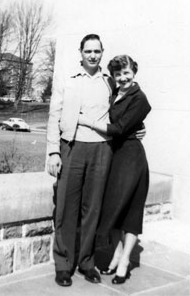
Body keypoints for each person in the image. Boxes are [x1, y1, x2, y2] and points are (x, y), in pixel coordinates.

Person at [47, 34, 145, 287]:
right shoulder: (67, 80)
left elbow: (126, 108)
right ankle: (64, 264)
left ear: (102, 53)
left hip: (102, 150)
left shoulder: (109, 82)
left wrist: (139, 128)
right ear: (80, 52)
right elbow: (53, 117)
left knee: (93, 209)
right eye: (88, 51)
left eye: (97, 51)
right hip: (71, 148)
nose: (92, 55)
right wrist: (53, 152)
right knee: (67, 208)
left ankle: (86, 262)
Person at [78, 55, 151, 285]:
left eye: (126, 72)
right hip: (114, 156)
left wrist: (86, 121)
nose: (123, 78)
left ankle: (125, 260)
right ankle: (117, 254)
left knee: (130, 211)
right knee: (115, 209)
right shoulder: (114, 92)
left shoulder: (140, 98)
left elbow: (118, 128)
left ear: (134, 72)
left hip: (131, 159)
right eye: (118, 74)